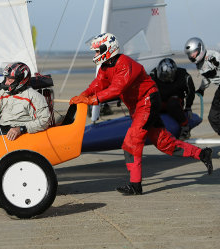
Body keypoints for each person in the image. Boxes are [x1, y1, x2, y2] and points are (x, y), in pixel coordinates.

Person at [70, 33, 213, 195]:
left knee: (131, 142)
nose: (96, 54)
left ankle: (135, 185)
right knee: (164, 143)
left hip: (148, 102)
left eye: (97, 51)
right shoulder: (105, 66)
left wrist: (93, 100)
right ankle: (202, 153)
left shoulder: (124, 64)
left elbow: (117, 89)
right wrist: (82, 96)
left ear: (108, 49)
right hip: (138, 107)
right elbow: (97, 84)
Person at [150, 58, 195, 140]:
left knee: (172, 103)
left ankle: (185, 127)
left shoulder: (184, 76)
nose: (163, 79)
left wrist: (188, 107)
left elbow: (191, 92)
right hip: (159, 103)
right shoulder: (153, 75)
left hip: (174, 104)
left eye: (166, 77)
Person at [184, 37, 220, 135]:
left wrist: (217, 63)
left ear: (200, 48)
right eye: (190, 54)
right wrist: (201, 89)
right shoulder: (199, 64)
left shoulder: (213, 55)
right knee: (213, 118)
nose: (192, 55)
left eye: (193, 52)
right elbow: (206, 78)